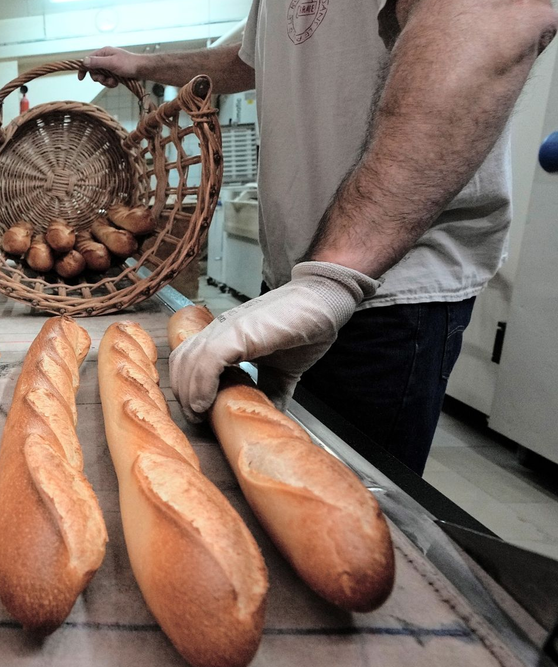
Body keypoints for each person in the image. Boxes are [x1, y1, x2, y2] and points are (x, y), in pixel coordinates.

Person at [81, 0, 557, 475]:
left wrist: (333, 277)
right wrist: (141, 64)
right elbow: (250, 59)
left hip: (390, 288)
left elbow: (494, 17)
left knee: (352, 503)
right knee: (276, 472)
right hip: (295, 285)